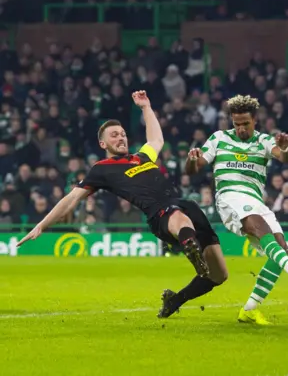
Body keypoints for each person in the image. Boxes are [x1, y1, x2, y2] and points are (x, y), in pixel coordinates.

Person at [15, 91, 229, 319]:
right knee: (179, 218)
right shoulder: (101, 169)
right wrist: (42, 224)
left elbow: (156, 140)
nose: (121, 138)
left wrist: (146, 107)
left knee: (219, 275)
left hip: (186, 206)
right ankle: (191, 250)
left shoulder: (141, 157)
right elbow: (71, 199)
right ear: (102, 143)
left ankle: (175, 299)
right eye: (114, 135)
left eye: (123, 134)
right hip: (160, 214)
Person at [186, 94, 288, 325]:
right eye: (236, 124)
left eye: (245, 124)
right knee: (254, 223)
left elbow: (286, 159)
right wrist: (191, 159)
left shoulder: (264, 141)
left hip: (256, 200)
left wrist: (286, 148)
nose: (240, 128)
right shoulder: (218, 138)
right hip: (229, 197)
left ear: (255, 120)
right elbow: (194, 169)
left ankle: (249, 309)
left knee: (281, 248)